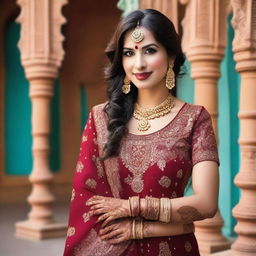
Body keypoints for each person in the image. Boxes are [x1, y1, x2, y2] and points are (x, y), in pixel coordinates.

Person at [63, 8, 219, 256]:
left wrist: (132, 215)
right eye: (128, 53)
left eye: (150, 50)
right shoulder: (101, 118)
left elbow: (206, 204)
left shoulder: (194, 119)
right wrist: (179, 224)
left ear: (170, 56)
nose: (139, 64)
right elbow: (89, 206)